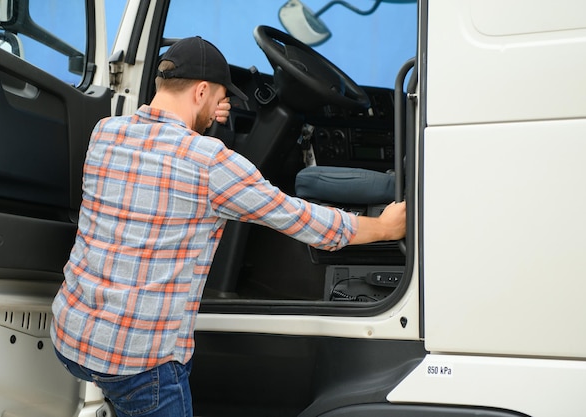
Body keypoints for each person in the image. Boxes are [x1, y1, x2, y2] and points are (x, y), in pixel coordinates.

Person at [50, 36, 406, 417]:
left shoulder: (105, 133)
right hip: (139, 366)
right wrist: (383, 227)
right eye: (220, 95)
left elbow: (161, 181)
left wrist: (201, 121)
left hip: (72, 336)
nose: (223, 105)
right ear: (202, 90)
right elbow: (302, 219)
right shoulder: (210, 163)